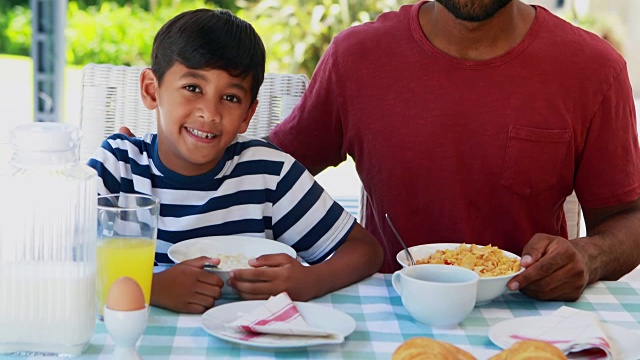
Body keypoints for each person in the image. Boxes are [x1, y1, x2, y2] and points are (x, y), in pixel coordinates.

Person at [267, 0, 640, 301]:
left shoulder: (594, 70)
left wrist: (588, 257)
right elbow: (262, 176)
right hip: (389, 310)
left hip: (528, 317)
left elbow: (629, 219)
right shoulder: (355, 57)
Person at [90, 8, 384, 314]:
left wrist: (309, 281)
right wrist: (152, 286)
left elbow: (366, 250)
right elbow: (59, 259)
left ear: (247, 115)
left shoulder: (268, 173)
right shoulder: (119, 167)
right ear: (152, 90)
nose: (210, 113)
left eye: (230, 98)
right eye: (193, 88)